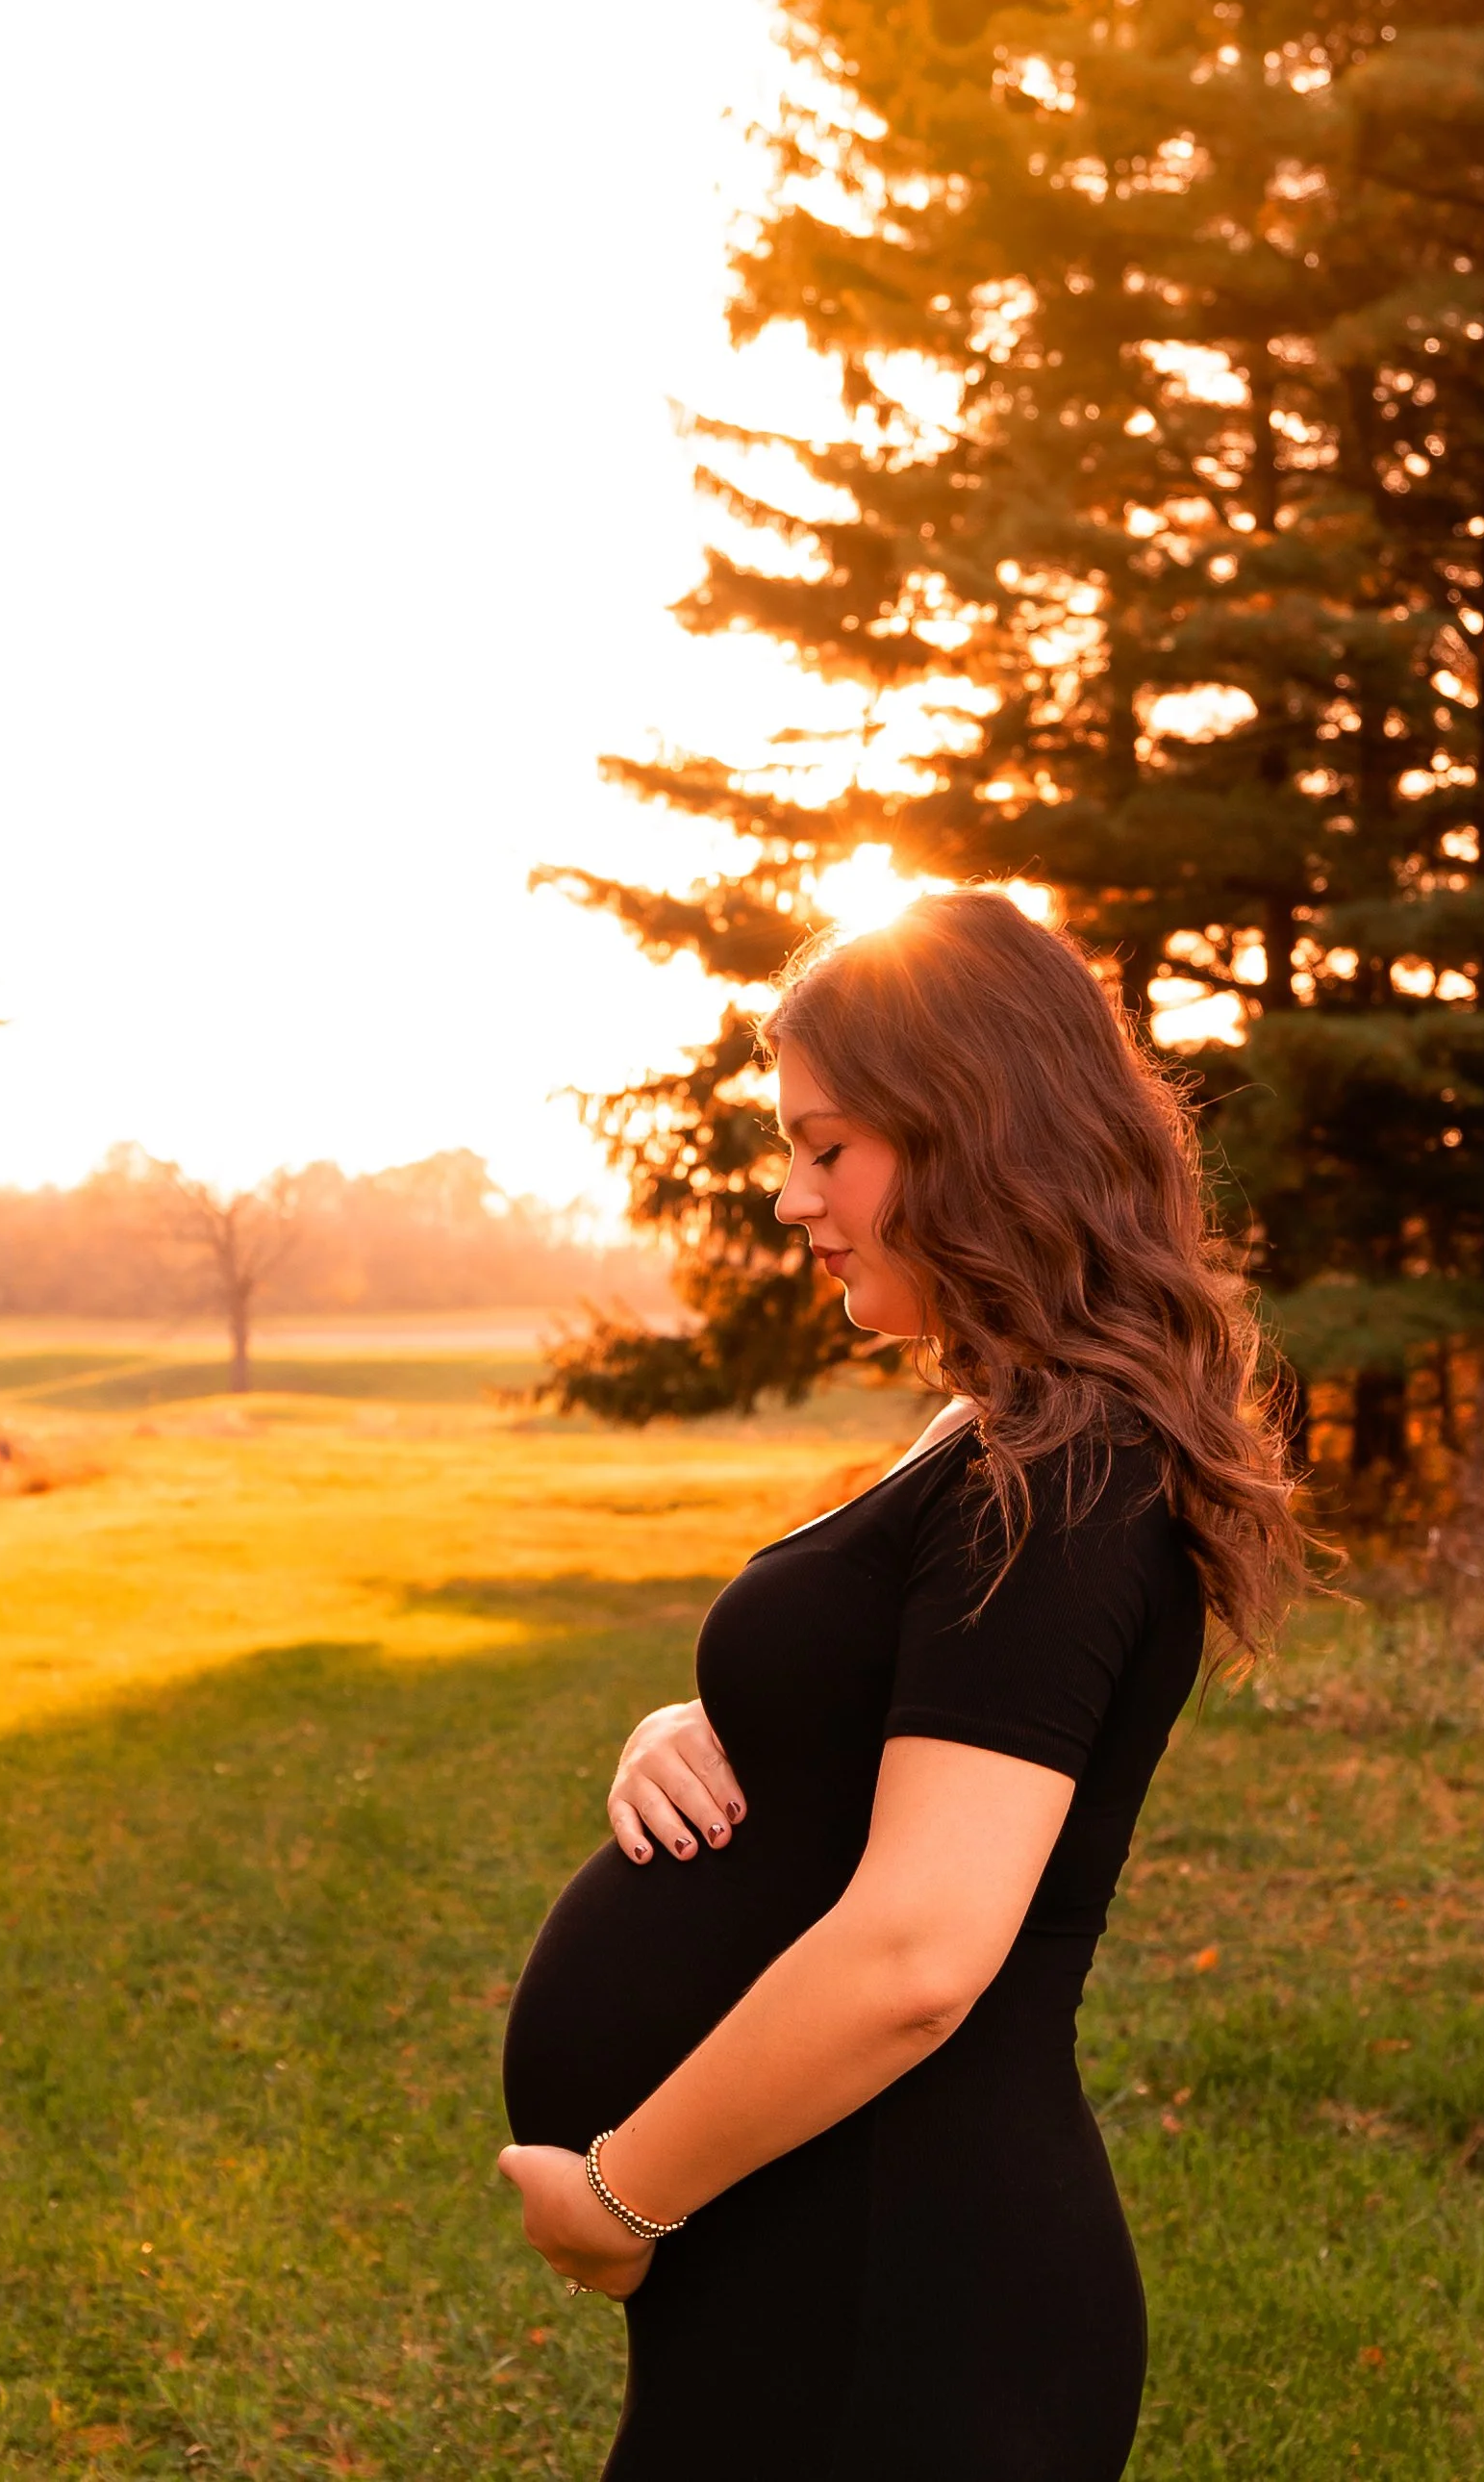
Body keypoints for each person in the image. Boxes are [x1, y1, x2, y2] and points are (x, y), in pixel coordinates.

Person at [497, 889, 1304, 2480]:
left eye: (830, 1147)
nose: (793, 1198)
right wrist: (697, 1728)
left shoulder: (1070, 1471)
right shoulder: (992, 1430)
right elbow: (886, 1722)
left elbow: (923, 1948)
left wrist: (621, 2193)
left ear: (975, 1134)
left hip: (905, 2291)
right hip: (814, 2247)